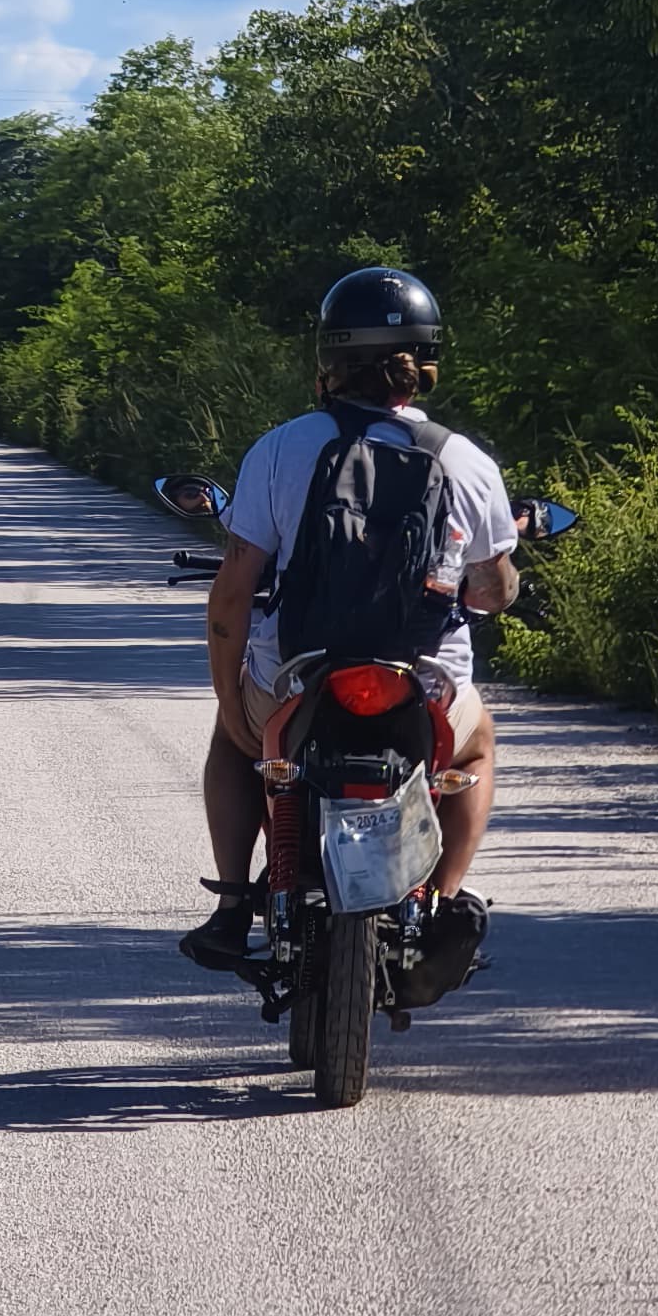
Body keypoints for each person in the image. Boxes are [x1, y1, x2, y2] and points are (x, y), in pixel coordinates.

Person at [177, 267, 520, 976]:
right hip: (423, 685)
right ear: (423, 365)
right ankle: (450, 901)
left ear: (326, 364)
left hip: (299, 678)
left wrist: (229, 697)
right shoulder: (465, 460)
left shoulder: (280, 449)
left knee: (234, 742)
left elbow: (232, 593)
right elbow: (491, 591)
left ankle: (236, 901)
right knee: (478, 745)